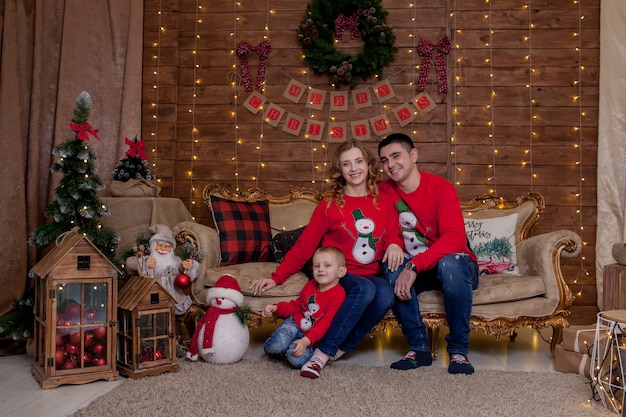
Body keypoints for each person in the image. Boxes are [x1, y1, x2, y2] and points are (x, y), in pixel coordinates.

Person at [250, 139, 404, 379]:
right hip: (336, 275)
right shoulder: (330, 205)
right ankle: (321, 354)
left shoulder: (383, 200)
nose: (354, 168)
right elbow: (304, 246)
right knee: (364, 289)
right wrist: (276, 277)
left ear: (368, 164)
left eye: (358, 161)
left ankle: (339, 349)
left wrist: (395, 243)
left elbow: (393, 231)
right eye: (346, 164)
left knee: (384, 293)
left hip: (368, 275)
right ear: (339, 170)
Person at [377, 133, 479, 375]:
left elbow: (455, 239)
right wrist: (392, 243)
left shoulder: (440, 188)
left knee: (450, 264)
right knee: (391, 266)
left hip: (455, 265)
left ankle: (458, 351)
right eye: (384, 160)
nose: (390, 164)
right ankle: (419, 348)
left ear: (413, 155)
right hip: (417, 267)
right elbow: (385, 226)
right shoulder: (384, 190)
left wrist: (413, 267)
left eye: (395, 156)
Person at [262, 246, 347, 373]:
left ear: (340, 272)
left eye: (327, 265)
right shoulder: (311, 285)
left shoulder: (339, 294)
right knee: (275, 345)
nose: (321, 269)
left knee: (297, 361)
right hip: (295, 324)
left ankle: (287, 350)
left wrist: (305, 342)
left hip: (311, 337)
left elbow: (325, 324)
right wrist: (276, 307)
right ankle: (278, 348)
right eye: (317, 266)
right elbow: (296, 305)